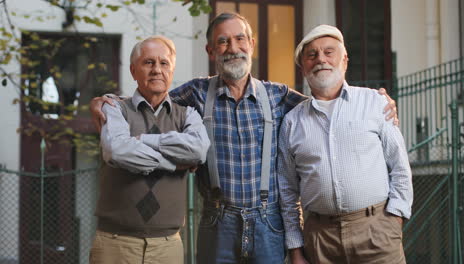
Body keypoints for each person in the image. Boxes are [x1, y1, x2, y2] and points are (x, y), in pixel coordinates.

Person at [90, 13, 398, 263]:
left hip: (269, 223)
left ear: (251, 44)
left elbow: (324, 104)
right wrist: (109, 100)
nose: (232, 47)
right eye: (222, 42)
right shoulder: (196, 93)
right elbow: (154, 93)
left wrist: (374, 99)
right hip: (216, 222)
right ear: (211, 52)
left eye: (239, 39)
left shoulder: (278, 96)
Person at [278, 24, 413, 264]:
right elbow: (287, 191)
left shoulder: (375, 102)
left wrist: (395, 219)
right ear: (302, 67)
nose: (321, 59)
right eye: (312, 54)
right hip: (319, 241)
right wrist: (296, 249)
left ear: (345, 60)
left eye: (328, 52)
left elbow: (399, 166)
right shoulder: (291, 122)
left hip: (377, 234)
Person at [89, 36, 210, 264]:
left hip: (167, 246)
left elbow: (198, 151)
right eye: (148, 63)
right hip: (115, 243)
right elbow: (116, 151)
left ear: (172, 70)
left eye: (164, 63)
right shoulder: (115, 109)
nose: (157, 70)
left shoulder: (188, 115)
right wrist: (173, 163)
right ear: (134, 71)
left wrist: (143, 141)